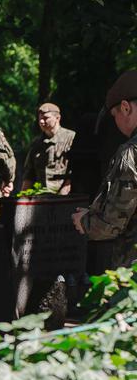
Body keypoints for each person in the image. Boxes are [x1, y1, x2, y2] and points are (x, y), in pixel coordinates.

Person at [72, 70, 137, 270]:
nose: (115, 122)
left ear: (126, 108)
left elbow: (111, 223)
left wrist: (84, 221)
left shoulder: (131, 153)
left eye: (114, 114)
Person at [22, 102, 75, 194]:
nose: (41, 121)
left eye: (46, 118)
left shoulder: (71, 138)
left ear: (57, 118)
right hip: (41, 196)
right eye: (40, 118)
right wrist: (23, 197)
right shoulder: (36, 143)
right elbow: (29, 174)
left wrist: (64, 192)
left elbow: (76, 170)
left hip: (66, 196)